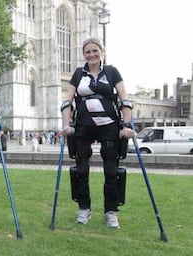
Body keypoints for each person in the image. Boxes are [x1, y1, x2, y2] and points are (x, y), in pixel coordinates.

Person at [60, 38, 134, 229]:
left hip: (109, 126)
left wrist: (126, 125)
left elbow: (124, 99)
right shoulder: (78, 74)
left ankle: (111, 212)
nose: (91, 55)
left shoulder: (111, 71)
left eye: (95, 51)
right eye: (88, 52)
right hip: (84, 126)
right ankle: (84, 208)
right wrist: (67, 124)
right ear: (83, 54)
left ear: (101, 51)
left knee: (111, 171)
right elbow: (67, 101)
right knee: (81, 170)